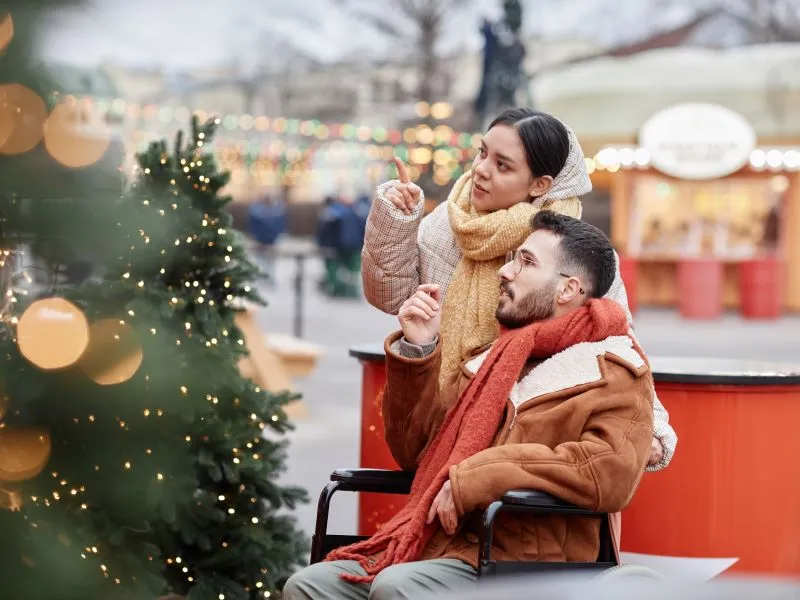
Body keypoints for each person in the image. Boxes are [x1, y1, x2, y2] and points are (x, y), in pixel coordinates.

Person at [284, 212, 655, 599]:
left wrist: (479, 477)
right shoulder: (492, 359)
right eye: (514, 258)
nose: (507, 271)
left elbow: (608, 473)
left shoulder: (614, 369)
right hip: (446, 546)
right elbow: (416, 454)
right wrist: (419, 350)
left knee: (397, 589)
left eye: (526, 262)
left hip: (529, 564)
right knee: (309, 586)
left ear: (567, 290)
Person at [361, 107, 676, 472]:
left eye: (503, 165)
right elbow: (388, 295)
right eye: (482, 153)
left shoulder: (572, 247)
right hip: (444, 415)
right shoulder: (444, 226)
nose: (481, 169)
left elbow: (615, 338)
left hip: (533, 433)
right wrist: (397, 221)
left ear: (539, 185)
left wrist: (652, 427)